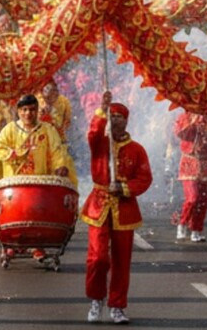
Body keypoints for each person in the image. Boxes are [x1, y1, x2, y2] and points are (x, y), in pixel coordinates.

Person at [81, 92, 152, 325]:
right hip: (99, 206)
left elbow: (144, 178)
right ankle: (96, 299)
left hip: (125, 208)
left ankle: (118, 306)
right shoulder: (100, 144)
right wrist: (101, 110)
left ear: (126, 121)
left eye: (119, 116)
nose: (115, 119)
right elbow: (93, 133)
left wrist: (123, 188)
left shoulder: (137, 149)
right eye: (111, 116)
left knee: (122, 261)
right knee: (98, 258)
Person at [0, 94, 74, 178]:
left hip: (40, 180)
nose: (28, 113)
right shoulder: (10, 129)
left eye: (32, 109)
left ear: (37, 110)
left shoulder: (47, 129)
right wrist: (14, 154)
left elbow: (57, 151)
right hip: (15, 181)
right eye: (24, 109)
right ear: (19, 111)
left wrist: (59, 166)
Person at [174, 110, 207, 242]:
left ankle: (196, 229)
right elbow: (180, 133)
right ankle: (182, 223)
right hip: (189, 163)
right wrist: (193, 122)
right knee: (193, 197)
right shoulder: (185, 117)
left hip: (206, 164)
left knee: (203, 199)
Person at [38, 79, 72, 144]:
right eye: (46, 89)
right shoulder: (37, 101)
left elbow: (67, 120)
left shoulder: (64, 101)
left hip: (58, 139)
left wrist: (61, 130)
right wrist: (44, 115)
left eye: (54, 91)